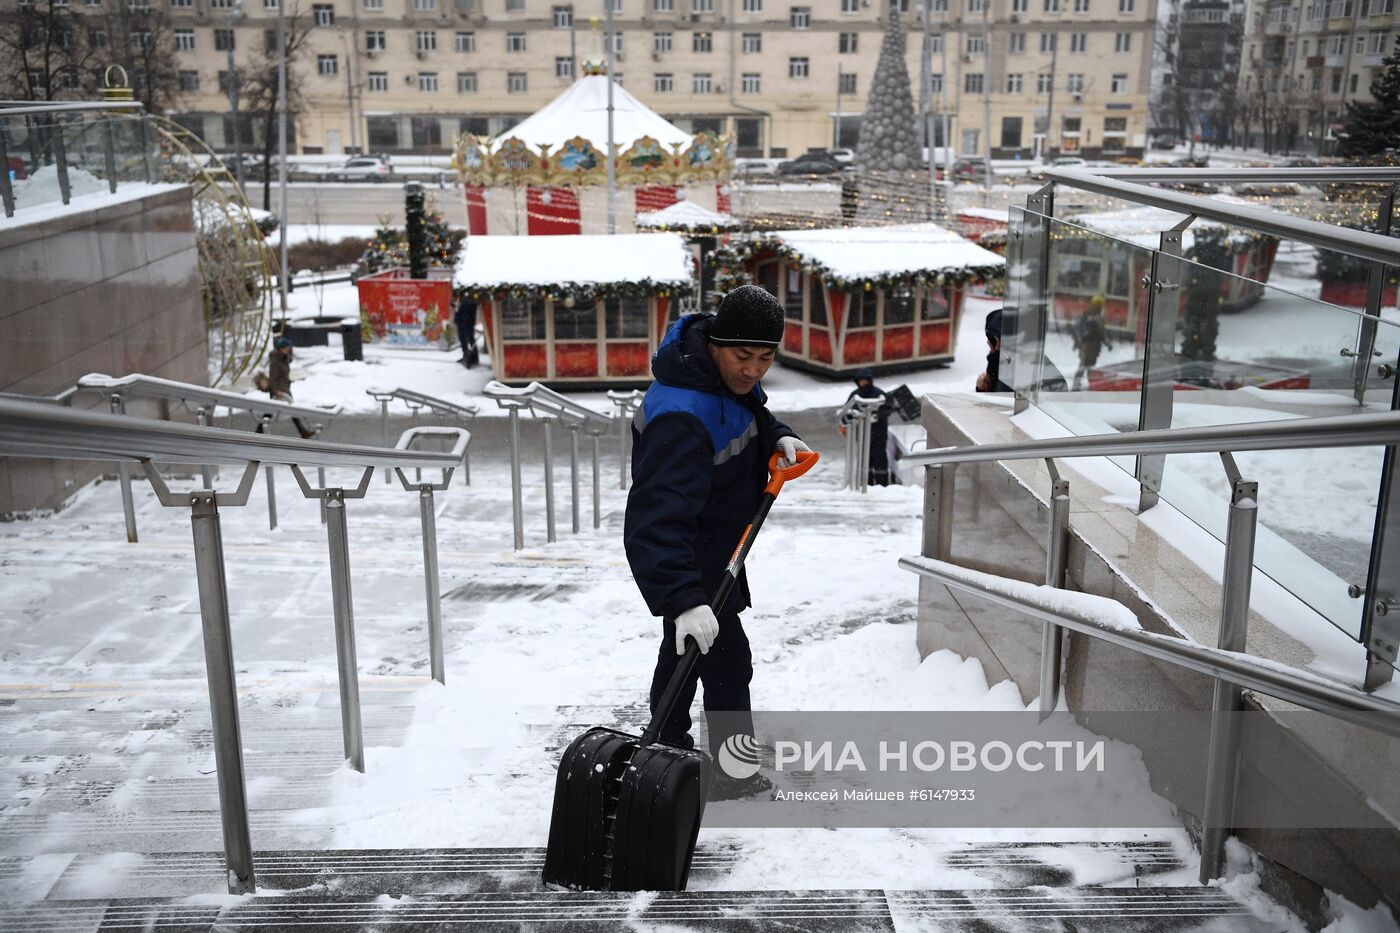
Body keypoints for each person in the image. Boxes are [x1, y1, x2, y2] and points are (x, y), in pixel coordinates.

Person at [623, 285, 812, 800]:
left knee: (690, 653)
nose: (752, 370)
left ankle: (668, 751)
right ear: (715, 345)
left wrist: (777, 435)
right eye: (742, 356)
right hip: (693, 555)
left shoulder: (715, 378)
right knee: (722, 658)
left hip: (715, 547)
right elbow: (654, 519)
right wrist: (682, 599)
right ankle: (719, 769)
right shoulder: (683, 412)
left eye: (766, 358)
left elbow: (748, 411)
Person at [846, 368, 893, 486]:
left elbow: (887, 408)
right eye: (860, 381)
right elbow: (847, 410)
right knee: (864, 458)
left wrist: (877, 416)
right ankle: (866, 483)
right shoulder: (855, 395)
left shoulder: (879, 394)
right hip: (861, 433)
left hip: (879, 433)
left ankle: (882, 484)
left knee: (880, 458)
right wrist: (845, 423)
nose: (863, 383)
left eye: (865, 380)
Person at [263, 337, 316, 439]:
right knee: (274, 410)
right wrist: (275, 391)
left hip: (284, 388)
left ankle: (303, 431)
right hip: (278, 390)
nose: (288, 350)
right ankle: (303, 431)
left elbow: (288, 363)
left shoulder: (283, 358)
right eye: (286, 348)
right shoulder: (275, 360)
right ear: (281, 349)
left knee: (279, 410)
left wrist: (287, 357)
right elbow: (272, 377)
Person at [1071, 295, 1111, 391]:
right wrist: (1107, 344)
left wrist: (1077, 343)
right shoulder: (1096, 317)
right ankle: (1088, 385)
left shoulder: (1087, 314)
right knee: (1087, 366)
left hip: (1088, 345)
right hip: (1091, 346)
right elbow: (1101, 333)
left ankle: (1079, 385)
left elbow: (1079, 330)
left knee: (1085, 365)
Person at [976, 308, 1012, 393]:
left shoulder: (1014, 365)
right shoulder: (996, 359)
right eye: (993, 339)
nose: (996, 346)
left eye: (999, 340)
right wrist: (984, 388)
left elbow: (1004, 400)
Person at [454, 293, 479, 368]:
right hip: (463, 320)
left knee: (468, 338)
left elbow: (472, 306)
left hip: (466, 321)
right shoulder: (460, 297)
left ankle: (471, 357)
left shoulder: (466, 297)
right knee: (465, 338)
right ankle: (469, 356)